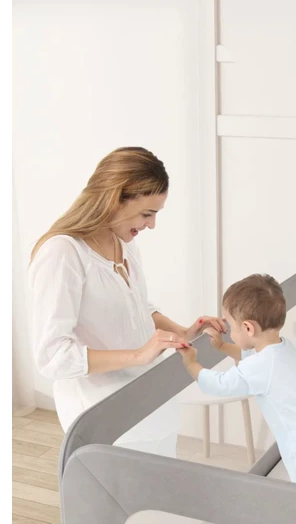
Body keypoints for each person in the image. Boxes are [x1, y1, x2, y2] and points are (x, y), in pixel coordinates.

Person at [29, 146, 225, 457]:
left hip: (149, 401)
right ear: (115, 198)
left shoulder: (124, 243)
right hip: (103, 415)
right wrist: (138, 355)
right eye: (147, 214)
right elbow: (52, 356)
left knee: (162, 484)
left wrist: (182, 332)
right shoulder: (63, 253)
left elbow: (137, 307)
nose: (152, 225)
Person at [178, 273, 296, 490]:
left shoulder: (261, 366)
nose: (229, 332)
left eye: (231, 327)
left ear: (248, 328)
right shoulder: (284, 346)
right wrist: (222, 347)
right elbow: (251, 358)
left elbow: (220, 384)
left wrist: (191, 363)